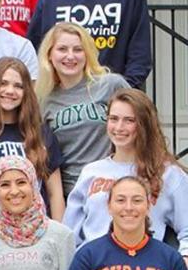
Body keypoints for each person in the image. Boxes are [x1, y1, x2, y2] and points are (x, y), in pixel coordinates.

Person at [64, 89, 188, 258]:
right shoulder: (91, 172)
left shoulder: (167, 173)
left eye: (129, 120)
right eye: (113, 119)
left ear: (144, 124)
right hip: (94, 269)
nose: (119, 127)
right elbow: (69, 236)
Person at [35, 22, 129, 196]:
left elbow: (144, 124)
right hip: (71, 192)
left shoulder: (111, 85)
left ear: (87, 54)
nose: (70, 56)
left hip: (113, 187)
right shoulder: (43, 99)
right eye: (62, 49)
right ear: (49, 55)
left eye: (78, 50)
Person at [0, 58, 65, 220]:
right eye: (3, 83)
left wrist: (59, 234)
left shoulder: (41, 133)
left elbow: (55, 194)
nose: (10, 91)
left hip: (37, 228)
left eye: (18, 86)